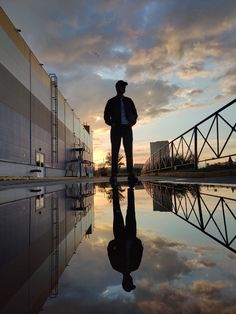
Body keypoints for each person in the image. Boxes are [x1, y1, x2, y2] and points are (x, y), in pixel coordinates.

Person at [107, 185, 143, 292]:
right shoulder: (134, 266)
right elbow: (140, 250)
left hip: (119, 236)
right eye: (131, 282)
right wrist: (135, 241)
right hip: (130, 235)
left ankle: (115, 189)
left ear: (124, 281)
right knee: (130, 211)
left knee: (118, 210)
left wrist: (115, 242)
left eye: (129, 283)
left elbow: (109, 251)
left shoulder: (117, 266)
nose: (131, 281)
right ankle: (131, 189)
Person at [104, 80, 138, 184]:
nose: (124, 89)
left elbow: (135, 114)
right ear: (117, 88)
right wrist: (111, 123)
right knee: (115, 151)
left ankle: (130, 174)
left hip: (127, 128)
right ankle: (114, 175)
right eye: (122, 87)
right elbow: (106, 116)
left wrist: (132, 122)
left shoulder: (129, 100)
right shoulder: (111, 101)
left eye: (125, 87)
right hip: (116, 129)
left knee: (129, 151)